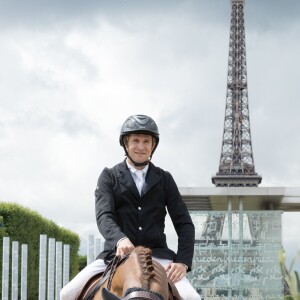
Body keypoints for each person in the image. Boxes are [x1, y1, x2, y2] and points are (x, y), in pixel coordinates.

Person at [60, 114, 201, 300]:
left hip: (156, 257)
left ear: (153, 146)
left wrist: (182, 262)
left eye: (146, 141)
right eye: (135, 140)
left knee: (192, 298)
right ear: (126, 144)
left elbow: (184, 224)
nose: (141, 147)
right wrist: (119, 239)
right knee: (66, 294)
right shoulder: (109, 176)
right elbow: (104, 215)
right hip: (116, 256)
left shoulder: (165, 179)